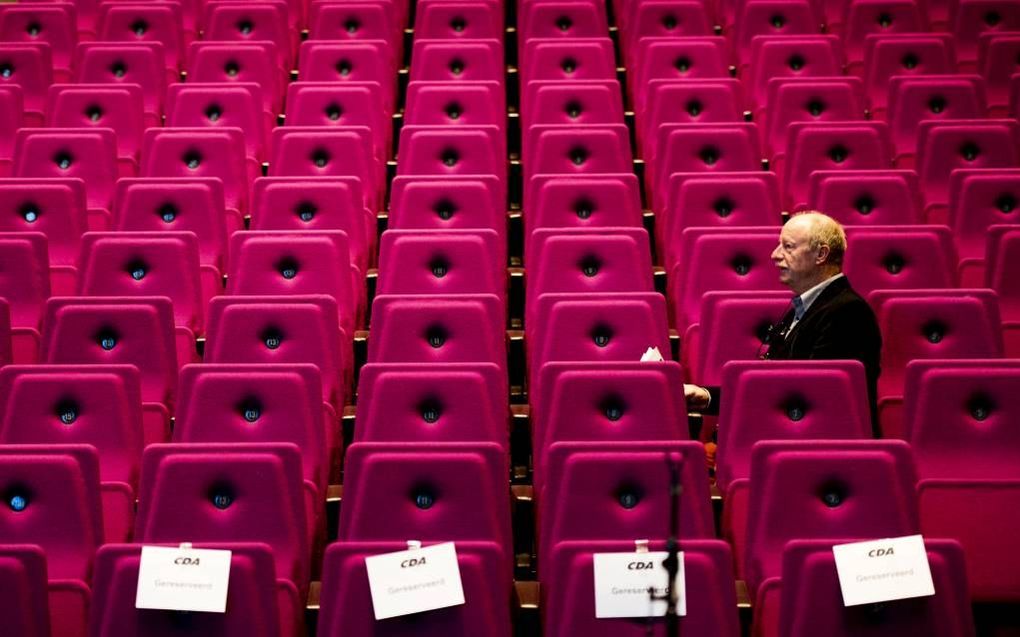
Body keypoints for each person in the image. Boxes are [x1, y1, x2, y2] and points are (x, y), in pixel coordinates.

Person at [683, 211, 882, 431]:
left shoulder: (848, 312)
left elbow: (810, 396)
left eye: (788, 247)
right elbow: (774, 386)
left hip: (825, 451)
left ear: (821, 254)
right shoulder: (807, 307)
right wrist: (706, 397)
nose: (775, 255)